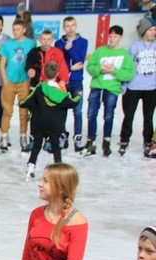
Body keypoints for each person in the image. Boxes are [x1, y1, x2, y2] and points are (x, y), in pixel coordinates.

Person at [20, 62, 81, 182]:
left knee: (36, 145)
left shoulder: (40, 88)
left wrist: (21, 103)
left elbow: (27, 101)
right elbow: (72, 103)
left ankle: (30, 169)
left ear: (43, 73)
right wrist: (78, 96)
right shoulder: (63, 93)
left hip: (39, 124)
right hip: (55, 125)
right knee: (55, 146)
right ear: (57, 74)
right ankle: (59, 173)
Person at [84, 25, 134, 157]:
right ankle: (91, 140)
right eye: (110, 36)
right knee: (91, 114)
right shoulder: (100, 51)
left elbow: (129, 74)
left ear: (120, 37)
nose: (112, 39)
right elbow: (90, 67)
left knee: (108, 115)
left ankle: (106, 141)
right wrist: (100, 69)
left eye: (115, 37)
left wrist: (114, 70)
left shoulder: (125, 55)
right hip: (96, 87)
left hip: (111, 89)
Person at [119, 17, 156, 158]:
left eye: (155, 30)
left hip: (151, 87)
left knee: (149, 117)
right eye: (151, 30)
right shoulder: (134, 47)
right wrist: (125, 86)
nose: (153, 32)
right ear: (144, 31)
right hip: (134, 87)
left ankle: (148, 141)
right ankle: (124, 140)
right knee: (129, 116)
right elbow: (127, 67)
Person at [0, 18, 36, 153]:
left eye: (18, 29)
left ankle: (23, 135)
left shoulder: (31, 44)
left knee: (24, 111)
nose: (15, 32)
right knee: (7, 110)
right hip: (9, 81)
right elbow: (2, 64)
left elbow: (33, 62)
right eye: (14, 30)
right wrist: (5, 80)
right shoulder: (8, 45)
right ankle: (4, 136)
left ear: (24, 30)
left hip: (24, 82)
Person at [55, 16, 88, 153]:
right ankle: (62, 135)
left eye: (72, 25)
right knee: (61, 110)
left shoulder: (83, 42)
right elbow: (59, 62)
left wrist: (70, 49)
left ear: (76, 26)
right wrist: (69, 68)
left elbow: (79, 61)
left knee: (78, 110)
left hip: (76, 82)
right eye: (67, 26)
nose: (70, 28)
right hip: (62, 81)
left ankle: (78, 137)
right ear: (63, 28)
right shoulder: (58, 43)